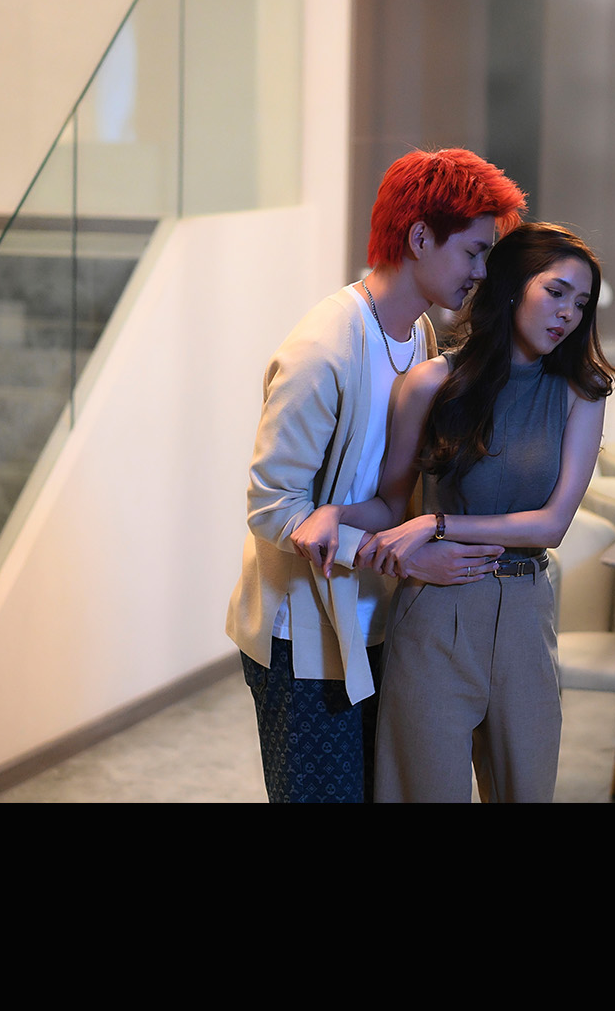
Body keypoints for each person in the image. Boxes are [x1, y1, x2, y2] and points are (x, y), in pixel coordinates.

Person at [224, 147, 526, 804]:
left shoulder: (419, 337)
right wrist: (400, 558)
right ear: (419, 238)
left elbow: (391, 489)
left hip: (378, 620)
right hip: (303, 637)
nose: (481, 272)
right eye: (473, 252)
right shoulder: (323, 349)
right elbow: (272, 508)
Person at [319, 222, 615, 802]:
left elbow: (552, 524)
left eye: (581, 303)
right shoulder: (429, 383)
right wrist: (328, 514)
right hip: (436, 613)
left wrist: (437, 524)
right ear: (510, 287)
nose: (568, 313)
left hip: (526, 612)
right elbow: (390, 505)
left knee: (526, 790)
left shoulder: (581, 392)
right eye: (555, 292)